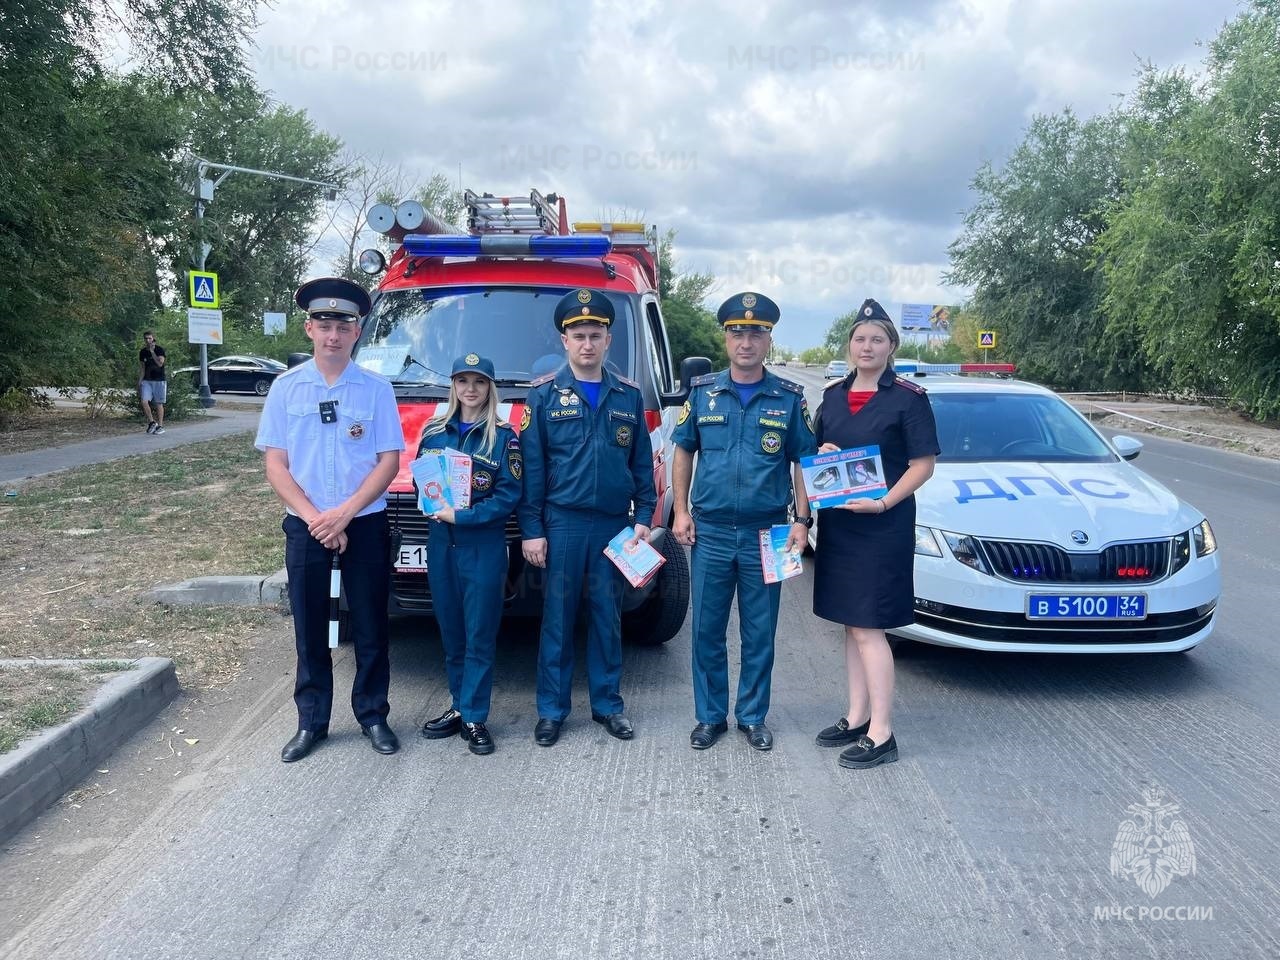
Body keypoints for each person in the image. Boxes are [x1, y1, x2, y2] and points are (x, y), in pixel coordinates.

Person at [254, 277, 406, 763]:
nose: (333, 334)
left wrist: (344, 513)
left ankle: (373, 714)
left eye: (343, 325)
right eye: (324, 324)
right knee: (310, 625)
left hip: (363, 522)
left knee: (369, 624)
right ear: (309, 329)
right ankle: (312, 721)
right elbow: (275, 462)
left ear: (358, 331)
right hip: (306, 524)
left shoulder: (377, 389)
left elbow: (388, 460)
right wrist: (316, 517)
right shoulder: (285, 388)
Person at [671, 292, 818, 751]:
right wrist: (679, 510)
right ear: (726, 338)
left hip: (770, 531)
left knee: (760, 631)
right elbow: (682, 450)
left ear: (769, 339)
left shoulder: (789, 399)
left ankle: (752, 715)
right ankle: (710, 716)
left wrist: (802, 520)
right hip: (711, 531)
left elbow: (802, 461)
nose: (746, 341)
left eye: (756, 332)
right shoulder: (702, 393)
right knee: (706, 630)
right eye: (738, 332)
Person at [518, 288, 655, 747]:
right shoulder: (542, 397)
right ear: (564, 340)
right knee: (557, 618)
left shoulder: (628, 396)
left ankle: (607, 705)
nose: (587, 343)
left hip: (614, 525)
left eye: (595, 334)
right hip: (563, 523)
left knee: (606, 617)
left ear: (608, 340)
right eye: (578, 335)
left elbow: (641, 461)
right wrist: (533, 530)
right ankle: (552, 711)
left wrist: (646, 514)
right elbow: (532, 469)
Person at [808, 298, 939, 770]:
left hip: (883, 524)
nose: (867, 346)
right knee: (851, 624)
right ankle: (856, 714)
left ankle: (882, 732)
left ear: (891, 346)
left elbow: (923, 465)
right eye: (860, 339)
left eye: (877, 339)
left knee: (870, 628)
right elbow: (822, 455)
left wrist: (884, 501)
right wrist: (826, 453)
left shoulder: (908, 398)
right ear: (849, 346)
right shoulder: (833, 396)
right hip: (841, 525)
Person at [416, 354, 522, 756]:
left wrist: (464, 515)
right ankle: (459, 706)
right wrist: (432, 496)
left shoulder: (503, 437)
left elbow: (509, 494)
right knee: (452, 631)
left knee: (479, 633)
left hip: (482, 546)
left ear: (490, 388)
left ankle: (476, 715)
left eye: (479, 382)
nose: (470, 389)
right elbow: (419, 478)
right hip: (441, 545)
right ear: (454, 386)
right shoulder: (434, 433)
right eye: (463, 381)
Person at [138, 331, 167, 434]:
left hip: (159, 380)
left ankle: (160, 426)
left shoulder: (159, 350)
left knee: (159, 403)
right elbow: (142, 368)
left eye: (149, 338)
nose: (147, 340)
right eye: (146, 338)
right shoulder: (142, 352)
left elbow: (160, 363)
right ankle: (151, 422)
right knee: (144, 401)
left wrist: (152, 352)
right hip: (147, 380)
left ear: (153, 339)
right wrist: (140, 381)